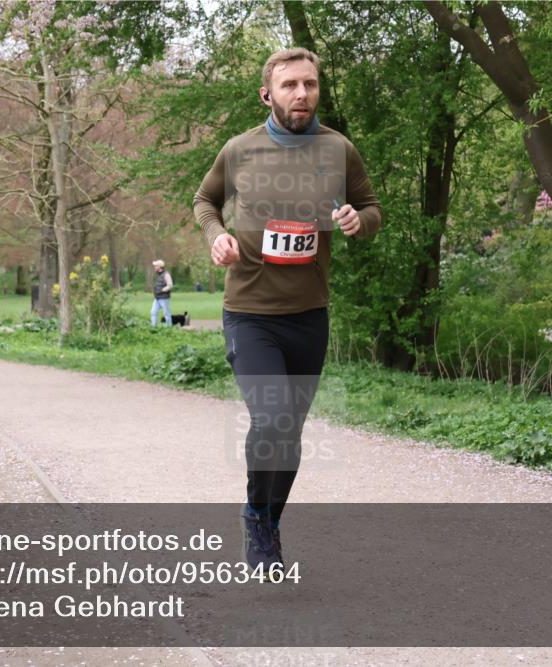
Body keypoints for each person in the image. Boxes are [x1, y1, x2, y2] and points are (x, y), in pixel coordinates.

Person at [193, 47, 382, 572]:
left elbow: (371, 209)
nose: (302, 94)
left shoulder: (338, 150)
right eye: (290, 85)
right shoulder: (240, 151)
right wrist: (217, 236)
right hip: (250, 312)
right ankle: (254, 513)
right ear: (267, 94)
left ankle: (271, 521)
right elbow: (205, 201)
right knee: (272, 415)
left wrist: (356, 222)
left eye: (310, 85)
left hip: (308, 315)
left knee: (290, 431)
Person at [150, 259, 173, 326]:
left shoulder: (166, 274)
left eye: (156, 266)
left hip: (164, 298)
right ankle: (153, 327)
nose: (154, 267)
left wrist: (163, 290)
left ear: (159, 267)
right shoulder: (158, 275)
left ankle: (169, 328)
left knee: (167, 314)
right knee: (153, 312)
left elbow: (170, 285)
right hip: (157, 298)